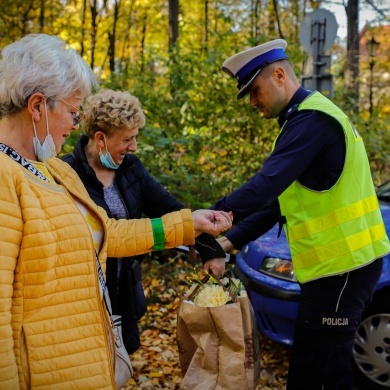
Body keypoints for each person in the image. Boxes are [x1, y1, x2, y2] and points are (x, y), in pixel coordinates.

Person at [0, 33, 232, 390]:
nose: (75, 125)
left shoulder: (54, 171)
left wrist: (188, 224)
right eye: (73, 113)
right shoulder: (5, 179)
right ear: (36, 107)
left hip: (84, 362)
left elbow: (110, 232)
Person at [212, 38, 390, 389]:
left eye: (255, 90)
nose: (252, 102)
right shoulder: (307, 119)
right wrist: (228, 241)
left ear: (279, 74)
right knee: (321, 367)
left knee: (320, 374)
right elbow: (279, 202)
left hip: (343, 269)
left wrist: (208, 217)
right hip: (337, 270)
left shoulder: (312, 122)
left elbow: (264, 187)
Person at [61, 88, 227, 354]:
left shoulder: (131, 169)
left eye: (135, 138)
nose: (134, 147)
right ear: (100, 138)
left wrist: (210, 249)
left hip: (124, 292)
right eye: (127, 139)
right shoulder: (66, 174)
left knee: (122, 360)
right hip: (83, 298)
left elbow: (169, 211)